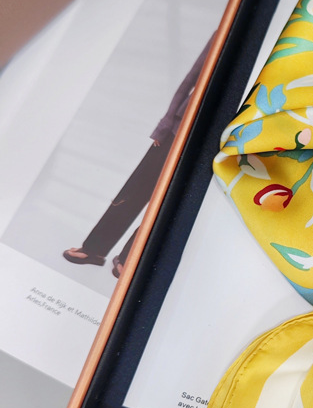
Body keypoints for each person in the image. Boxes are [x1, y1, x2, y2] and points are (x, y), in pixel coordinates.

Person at [63, 37, 212, 278]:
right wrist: (165, 124)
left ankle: (127, 258)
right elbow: (190, 80)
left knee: (166, 201)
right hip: (177, 129)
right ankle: (94, 250)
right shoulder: (221, 34)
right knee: (134, 192)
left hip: (208, 140)